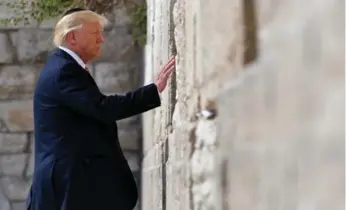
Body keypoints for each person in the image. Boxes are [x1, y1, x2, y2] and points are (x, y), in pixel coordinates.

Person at [26, 8, 175, 210]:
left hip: (73, 184)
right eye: (95, 33)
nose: (101, 40)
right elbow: (102, 108)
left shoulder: (63, 66)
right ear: (72, 37)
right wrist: (153, 90)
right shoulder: (63, 71)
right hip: (68, 187)